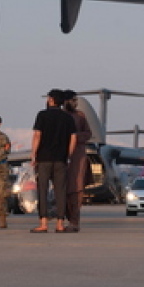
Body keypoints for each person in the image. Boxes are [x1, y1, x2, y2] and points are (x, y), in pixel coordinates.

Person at [30, 89, 76, 233]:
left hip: (44, 158)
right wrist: (68, 155)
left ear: (51, 99)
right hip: (61, 159)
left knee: (42, 190)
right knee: (60, 191)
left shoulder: (42, 115)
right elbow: (73, 138)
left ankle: (43, 223)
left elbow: (37, 135)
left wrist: (33, 154)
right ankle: (60, 224)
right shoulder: (68, 117)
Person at [62, 90, 93, 232]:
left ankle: (74, 221)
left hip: (77, 156)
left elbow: (88, 133)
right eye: (73, 100)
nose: (75, 103)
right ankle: (62, 219)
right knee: (62, 189)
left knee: (76, 188)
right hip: (61, 155)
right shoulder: (60, 116)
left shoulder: (80, 116)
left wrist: (74, 137)